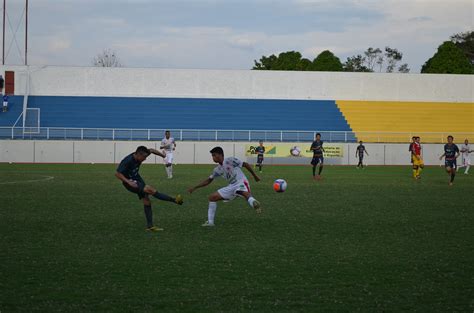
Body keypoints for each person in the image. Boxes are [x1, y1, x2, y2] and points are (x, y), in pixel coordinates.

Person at [188, 146, 261, 227]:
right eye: (212, 156)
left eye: (214, 155)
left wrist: (255, 176)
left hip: (241, 181)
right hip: (231, 186)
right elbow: (208, 180)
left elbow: (245, 164)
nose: (213, 157)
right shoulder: (217, 169)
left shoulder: (230, 160)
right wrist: (195, 187)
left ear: (221, 155)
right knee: (212, 197)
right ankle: (210, 222)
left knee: (241, 192)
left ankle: (253, 202)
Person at [115, 146, 183, 232]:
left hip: (137, 179)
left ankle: (150, 227)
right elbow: (117, 173)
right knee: (151, 190)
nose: (145, 159)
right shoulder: (128, 160)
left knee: (146, 201)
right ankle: (175, 200)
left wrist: (163, 155)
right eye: (144, 157)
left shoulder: (142, 154)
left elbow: (151, 150)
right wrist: (128, 182)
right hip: (131, 182)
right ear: (139, 154)